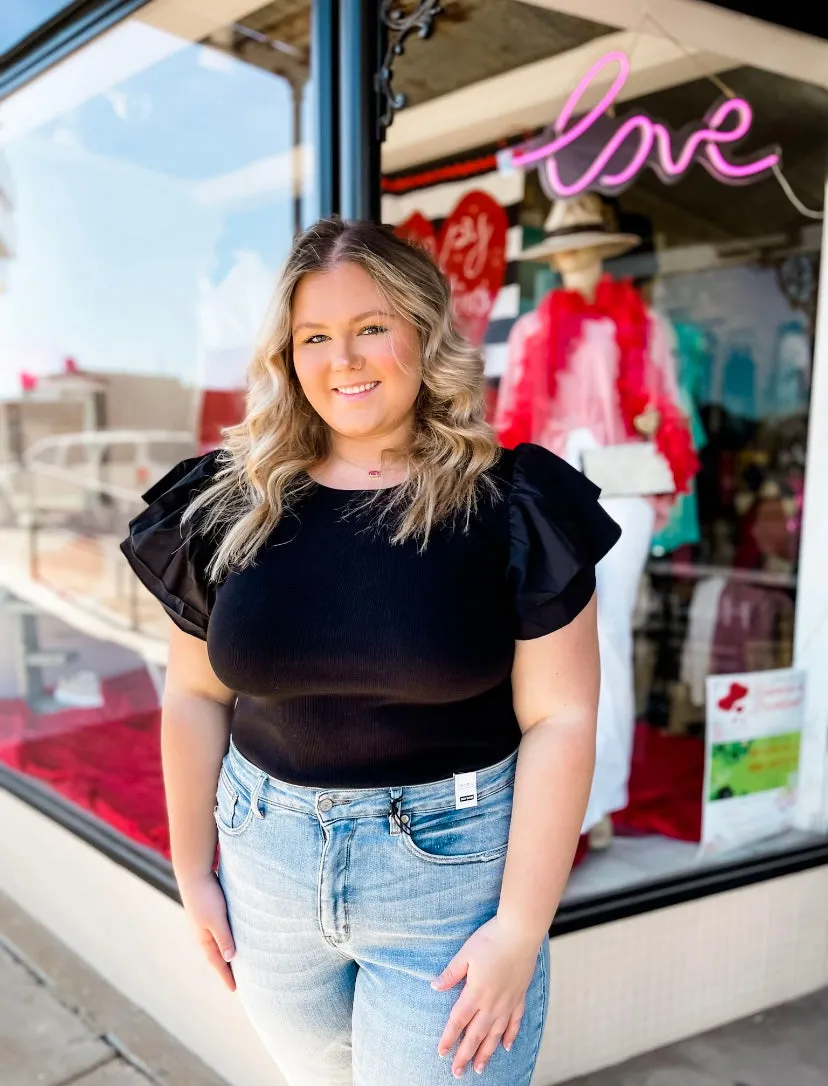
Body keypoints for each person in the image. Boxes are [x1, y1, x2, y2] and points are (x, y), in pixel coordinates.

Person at [120, 217, 621, 1085]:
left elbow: (563, 718)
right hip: (265, 872)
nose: (343, 359)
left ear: (423, 336)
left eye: (370, 329)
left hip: (448, 887)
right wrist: (191, 870)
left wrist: (519, 928)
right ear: (287, 353)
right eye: (315, 336)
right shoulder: (226, 504)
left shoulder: (512, 502)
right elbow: (197, 697)